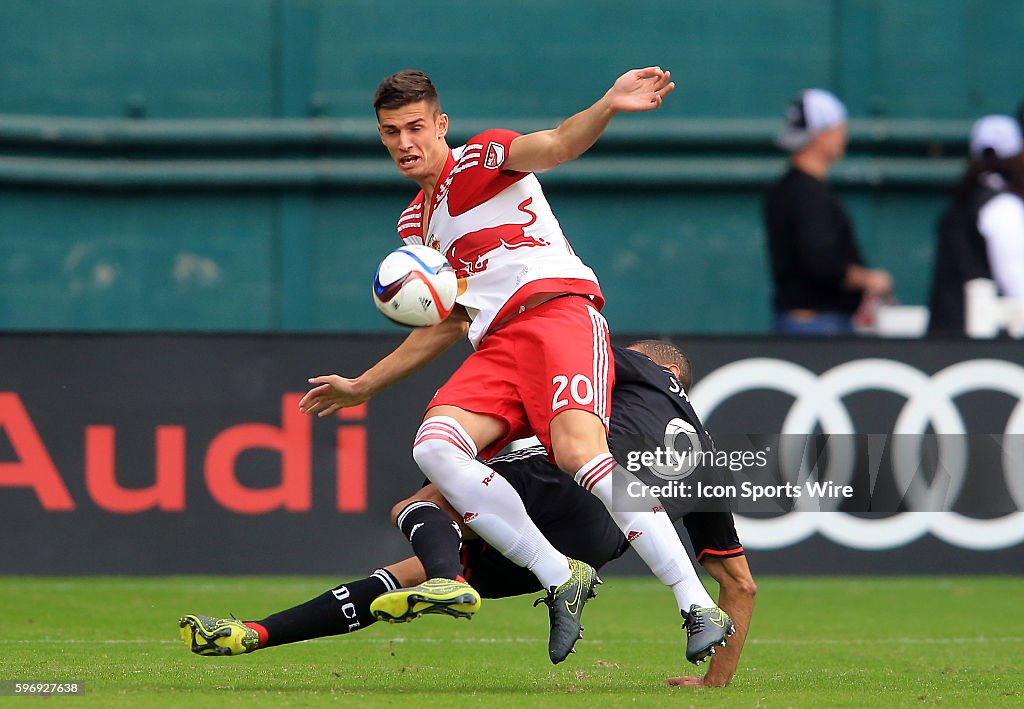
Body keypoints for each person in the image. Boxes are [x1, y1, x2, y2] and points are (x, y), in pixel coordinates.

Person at [297, 68, 731, 663]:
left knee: (581, 454)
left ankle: (693, 603)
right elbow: (449, 322)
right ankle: (559, 576)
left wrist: (607, 104)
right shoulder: (413, 227)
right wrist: (363, 385)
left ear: (440, 125)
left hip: (557, 313)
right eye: (390, 132)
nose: (404, 142)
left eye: (416, 127)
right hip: (496, 341)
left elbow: (556, 144)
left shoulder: (482, 157)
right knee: (435, 447)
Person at [179, 341, 755, 686]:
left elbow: (554, 359)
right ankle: (256, 633)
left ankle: (449, 581)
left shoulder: (625, 364)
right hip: (601, 538)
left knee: (423, 502)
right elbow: (740, 584)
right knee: (406, 575)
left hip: (569, 486)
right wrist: (714, 682)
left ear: (655, 367)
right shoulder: (704, 451)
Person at [764, 89, 893, 335]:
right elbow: (821, 262)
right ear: (820, 135)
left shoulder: (787, 189)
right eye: (839, 129)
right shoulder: (808, 194)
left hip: (806, 322)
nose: (844, 137)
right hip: (818, 325)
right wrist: (869, 279)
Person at [927, 115, 1024, 335]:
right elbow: (1016, 280)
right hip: (982, 347)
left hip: (944, 335)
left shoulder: (958, 205)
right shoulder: (1003, 206)